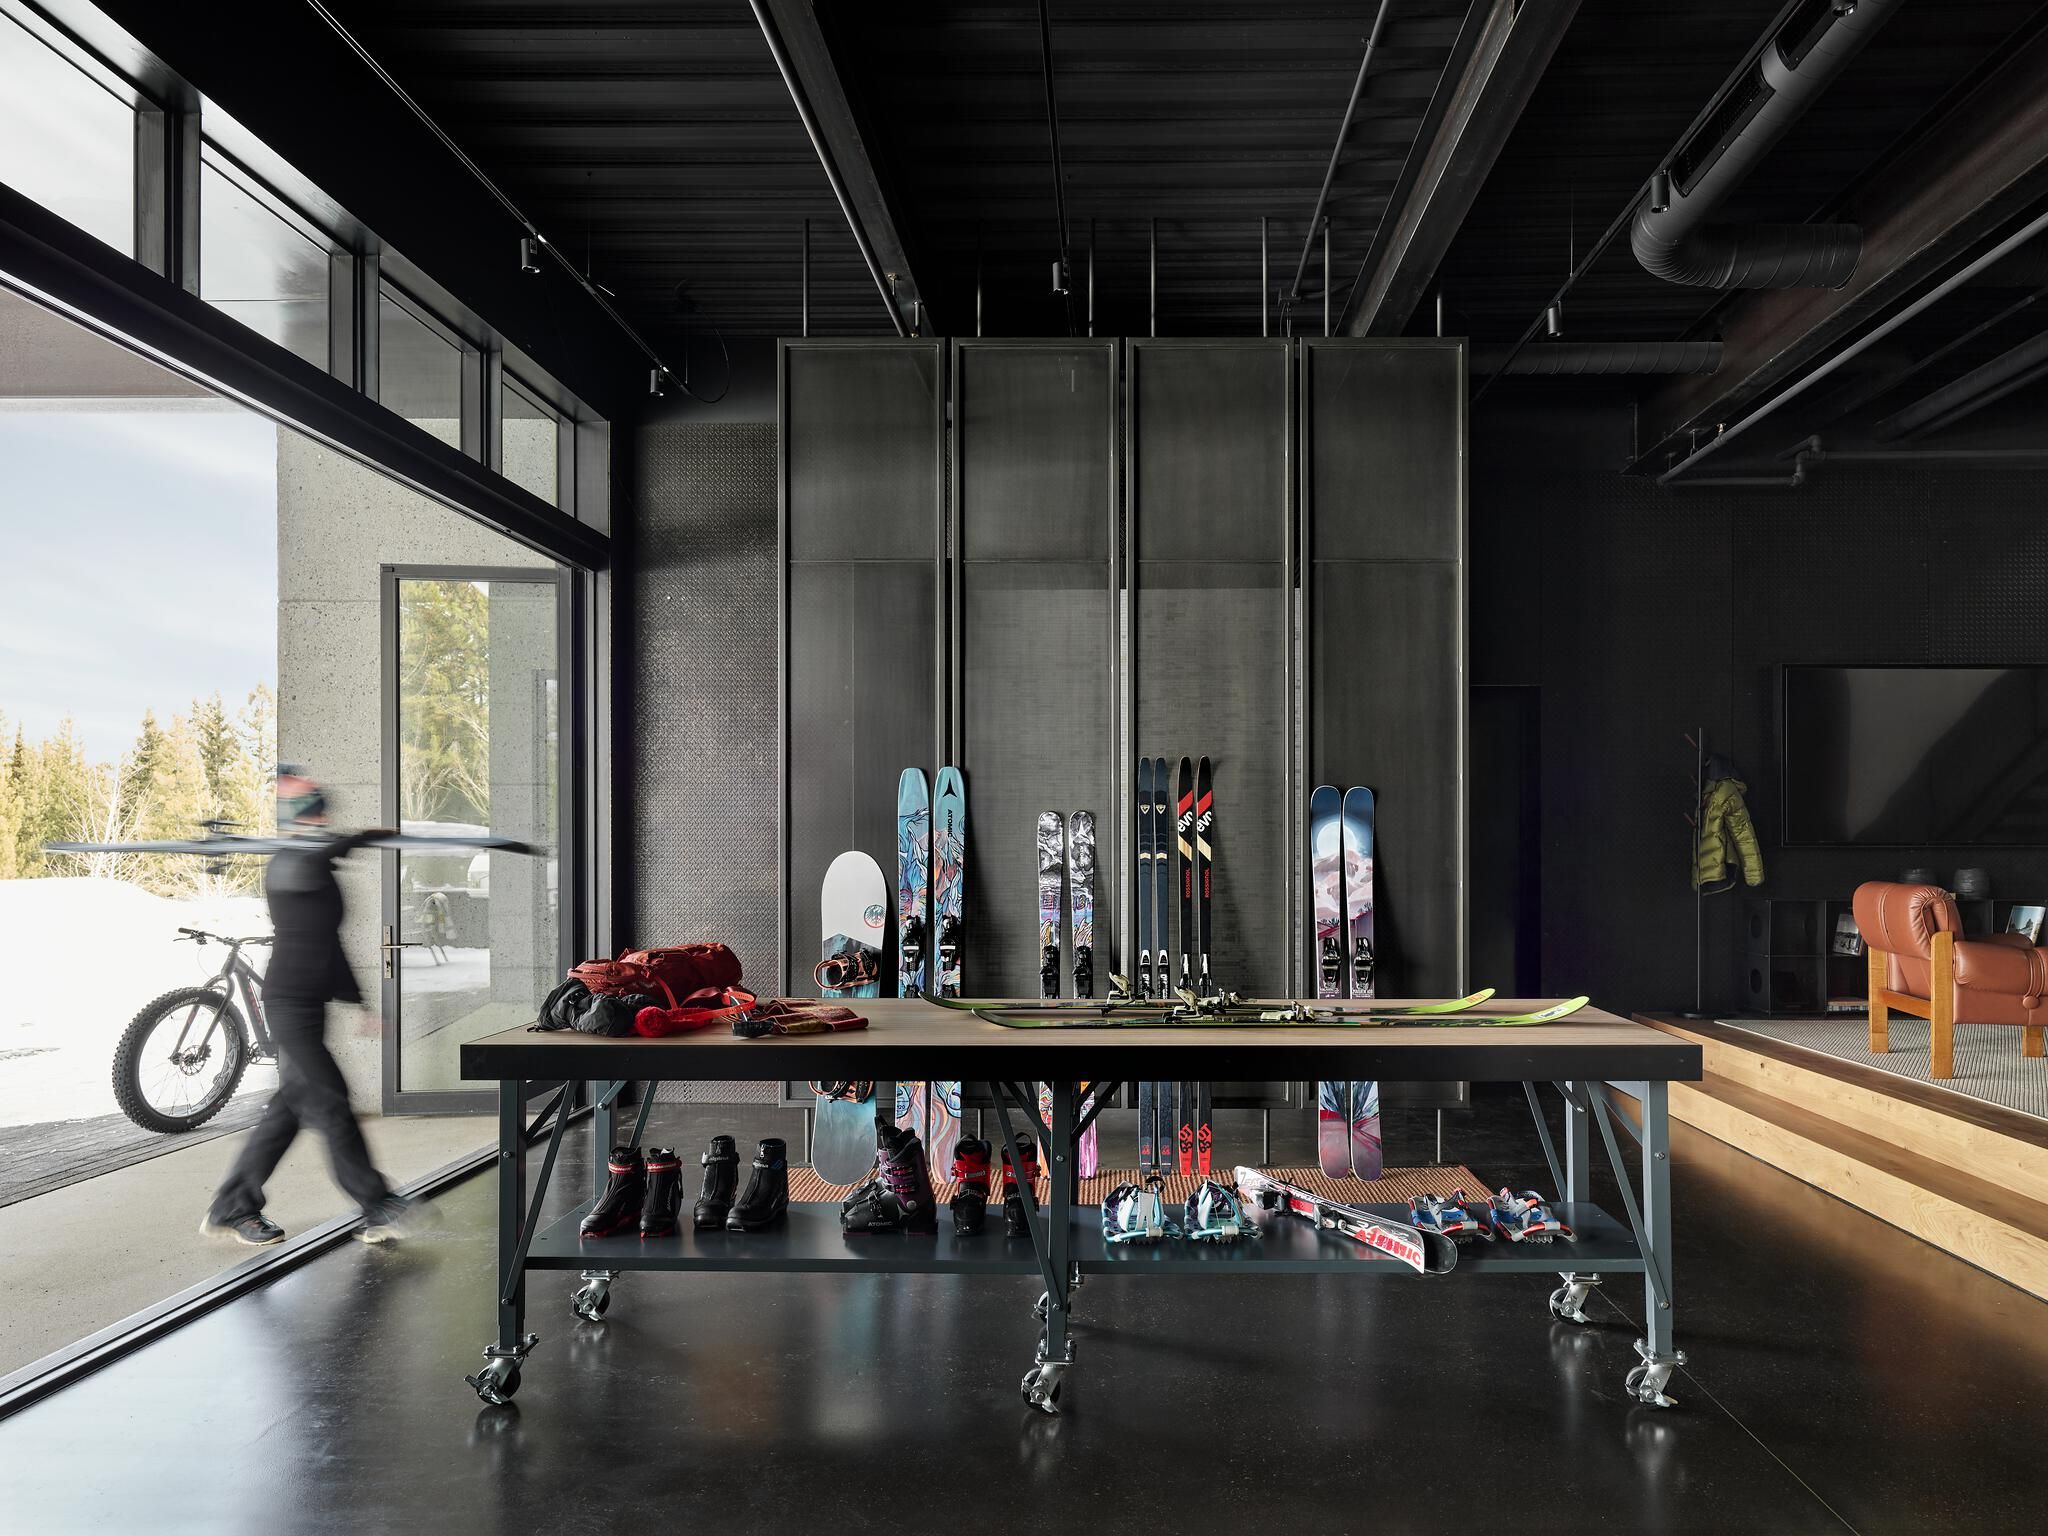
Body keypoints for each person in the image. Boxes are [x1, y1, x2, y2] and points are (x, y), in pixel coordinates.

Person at [201, 767, 418, 1247]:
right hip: (288, 1005)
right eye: (306, 808)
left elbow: (329, 940)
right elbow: (316, 859)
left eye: (318, 806)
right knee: (332, 1101)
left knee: (290, 1107)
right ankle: (376, 1204)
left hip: (310, 1004)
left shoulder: (313, 860)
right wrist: (356, 839)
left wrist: (361, 1001)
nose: (317, 816)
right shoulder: (287, 863)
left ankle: (234, 1206)